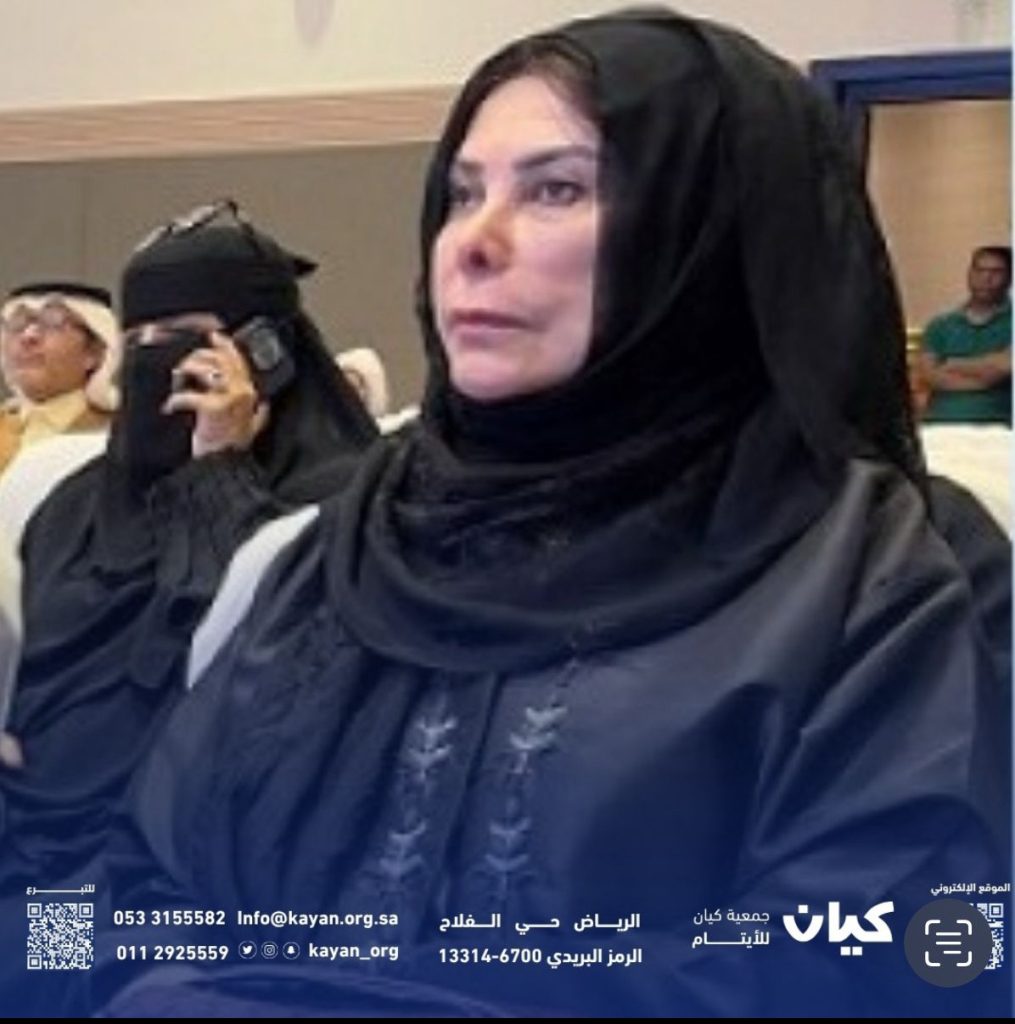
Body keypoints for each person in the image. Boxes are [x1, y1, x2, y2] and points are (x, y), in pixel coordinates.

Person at [107, 12, 1009, 1018]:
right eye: (461, 194)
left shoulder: (879, 565)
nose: (471, 244)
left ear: (703, 232)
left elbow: (906, 942)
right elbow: (130, 882)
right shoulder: (338, 546)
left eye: (556, 189)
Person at [0, 204, 377, 1014]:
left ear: (265, 351)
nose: (152, 363)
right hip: (42, 858)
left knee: (69, 984)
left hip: (211, 889)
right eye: (136, 341)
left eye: (181, 339)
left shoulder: (343, 504)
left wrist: (217, 475)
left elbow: (258, 665)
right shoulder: (74, 507)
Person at [0, 282, 120, 473]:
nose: (28, 337)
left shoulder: (118, 435)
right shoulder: (4, 425)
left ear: (94, 352)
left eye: (52, 322)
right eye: (18, 323)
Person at [919, 245, 1012, 424]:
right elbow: (929, 376)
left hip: (998, 424)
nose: (986, 278)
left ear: (1009, 278)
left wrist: (952, 364)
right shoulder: (940, 324)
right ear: (969, 274)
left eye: (996, 272)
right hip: (940, 423)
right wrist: (984, 374)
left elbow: (1003, 368)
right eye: (979, 270)